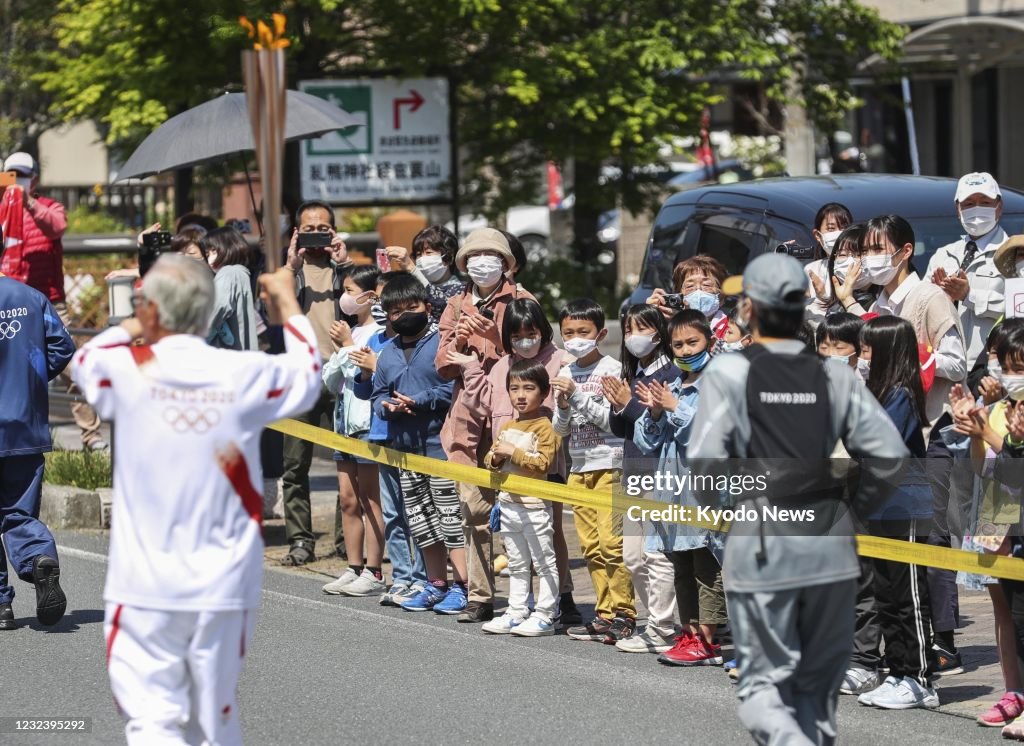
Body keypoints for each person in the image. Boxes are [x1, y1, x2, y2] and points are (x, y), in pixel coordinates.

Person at [70, 254, 322, 745]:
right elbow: (308, 375)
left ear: (151, 310)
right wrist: (287, 304)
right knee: (216, 718)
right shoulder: (243, 372)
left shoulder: (127, 370)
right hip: (223, 581)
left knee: (152, 722)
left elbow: (83, 361)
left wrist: (134, 320)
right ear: (209, 315)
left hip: (144, 583)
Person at [687, 253, 908, 746]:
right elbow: (891, 457)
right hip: (828, 540)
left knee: (765, 685)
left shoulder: (730, 373)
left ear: (751, 310)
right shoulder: (835, 375)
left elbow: (704, 466)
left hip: (761, 542)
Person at [453, 297, 581, 624]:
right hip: (507, 470)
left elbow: (568, 409)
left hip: (545, 466)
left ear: (542, 330)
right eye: (517, 335)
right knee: (516, 542)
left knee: (550, 535)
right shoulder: (500, 366)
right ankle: (517, 607)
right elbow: (483, 405)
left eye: (531, 332)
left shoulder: (562, 361)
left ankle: (560, 600)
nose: (525, 340)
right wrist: (470, 368)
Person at [435, 228, 535, 623]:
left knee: (524, 512)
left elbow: (534, 353)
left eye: (489, 255)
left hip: (512, 414)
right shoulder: (455, 303)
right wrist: (459, 344)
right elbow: (442, 365)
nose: (481, 262)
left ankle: (538, 599)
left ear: (506, 262)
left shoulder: (522, 300)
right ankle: (479, 595)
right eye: (473, 255)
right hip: (467, 419)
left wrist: (493, 337)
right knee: (472, 510)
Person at [634, 309, 726, 664]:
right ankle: (688, 634)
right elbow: (646, 441)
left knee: (706, 566)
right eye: (678, 345)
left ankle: (708, 640)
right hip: (671, 492)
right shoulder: (671, 385)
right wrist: (656, 412)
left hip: (705, 492)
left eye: (693, 342)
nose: (686, 350)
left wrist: (676, 409)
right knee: (681, 566)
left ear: (711, 342)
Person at [855, 317, 938, 710]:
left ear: (888, 350)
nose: (862, 356)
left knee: (908, 593)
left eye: (869, 349)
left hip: (904, 505)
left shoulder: (901, 394)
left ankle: (921, 677)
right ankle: (898, 671)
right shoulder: (876, 392)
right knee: (885, 593)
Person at [371, 274, 466, 614]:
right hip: (406, 449)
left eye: (412, 307)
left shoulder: (441, 342)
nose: (405, 314)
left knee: (450, 519)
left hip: (440, 446)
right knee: (421, 521)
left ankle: (463, 585)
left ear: (427, 307)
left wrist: (419, 400)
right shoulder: (387, 354)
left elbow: (455, 388)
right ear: (388, 316)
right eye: (396, 311)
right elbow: (378, 393)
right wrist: (387, 406)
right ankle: (435, 583)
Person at [0, 152, 105, 451]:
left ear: (34, 179)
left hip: (48, 305)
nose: (16, 180)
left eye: (21, 174)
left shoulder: (48, 207)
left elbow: (57, 226)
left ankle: (91, 434)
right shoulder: (2, 211)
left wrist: (28, 204)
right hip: (8, 304)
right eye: (10, 174)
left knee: (73, 367)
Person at [949, 320, 1024, 727]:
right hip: (996, 518)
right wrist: (978, 432)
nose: (1009, 374)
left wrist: (993, 438)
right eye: (1003, 363)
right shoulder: (998, 408)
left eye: (1019, 365)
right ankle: (1012, 691)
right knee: (1002, 613)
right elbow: (983, 469)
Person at [0, 230, 73, 631]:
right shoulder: (30, 297)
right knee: (18, 512)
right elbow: (61, 345)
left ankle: (1, 606)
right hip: (24, 425)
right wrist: (30, 378)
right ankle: (39, 558)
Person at [595, 304, 681, 646]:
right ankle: (657, 623)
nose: (634, 337)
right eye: (629, 330)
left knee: (656, 555)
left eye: (641, 329)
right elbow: (623, 428)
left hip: (661, 475)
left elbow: (662, 430)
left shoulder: (671, 375)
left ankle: (661, 628)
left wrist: (629, 403)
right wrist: (618, 403)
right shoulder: (633, 374)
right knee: (632, 557)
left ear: (658, 333)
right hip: (633, 474)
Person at [550, 300, 634, 643]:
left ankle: (625, 613)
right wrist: (564, 404)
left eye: (583, 332)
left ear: (600, 334)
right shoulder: (566, 372)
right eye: (568, 332)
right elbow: (560, 428)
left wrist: (579, 399)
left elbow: (613, 422)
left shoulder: (612, 369)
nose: (575, 338)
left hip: (610, 464)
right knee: (591, 546)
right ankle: (603, 612)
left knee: (613, 543)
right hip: (579, 466)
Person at [836, 214, 967, 429]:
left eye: (877, 250)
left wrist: (904, 356)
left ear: (906, 251)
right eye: (865, 251)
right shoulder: (877, 306)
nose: (869, 258)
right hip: (895, 423)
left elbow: (956, 365)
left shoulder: (931, 297)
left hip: (937, 427)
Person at [350, 271, 428, 606]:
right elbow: (364, 389)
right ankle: (403, 575)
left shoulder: (426, 341)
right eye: (387, 305)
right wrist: (367, 369)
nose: (393, 313)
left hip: (419, 439)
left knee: (422, 512)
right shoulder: (376, 341)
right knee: (394, 512)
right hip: (382, 436)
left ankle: (425, 577)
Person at [280, 200, 351, 566]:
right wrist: (292, 265)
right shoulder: (287, 274)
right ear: (296, 232)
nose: (317, 234)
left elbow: (368, 303)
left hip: (343, 375)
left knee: (348, 463)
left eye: (324, 229)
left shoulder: (346, 272)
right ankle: (300, 542)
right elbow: (273, 310)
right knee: (294, 466)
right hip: (300, 377)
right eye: (309, 228)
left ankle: (346, 540)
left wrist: (345, 262)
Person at [481, 359, 562, 637]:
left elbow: (543, 463)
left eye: (528, 388)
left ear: (543, 392)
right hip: (509, 504)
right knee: (515, 561)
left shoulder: (545, 427)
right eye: (514, 388)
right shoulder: (508, 426)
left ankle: (547, 613)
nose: (521, 395)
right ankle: (517, 610)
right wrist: (496, 456)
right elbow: (491, 461)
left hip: (535, 506)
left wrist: (512, 451)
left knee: (543, 561)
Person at [321, 265, 386, 597]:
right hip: (342, 423)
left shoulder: (377, 334)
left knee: (370, 498)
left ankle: (375, 570)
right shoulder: (350, 334)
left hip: (365, 423)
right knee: (347, 499)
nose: (344, 298)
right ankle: (354, 565)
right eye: (343, 290)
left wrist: (345, 346)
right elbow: (331, 380)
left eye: (350, 290)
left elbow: (368, 374)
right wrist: (343, 347)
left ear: (370, 296)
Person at [927, 172, 1009, 365]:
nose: (977, 209)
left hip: (994, 368)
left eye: (985, 202)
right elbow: (921, 308)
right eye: (969, 204)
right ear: (958, 209)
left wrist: (968, 295)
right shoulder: (943, 254)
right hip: (944, 366)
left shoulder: (1015, 253)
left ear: (999, 208)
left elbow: (1018, 307)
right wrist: (937, 296)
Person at [385, 225, 464, 324]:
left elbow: (443, 305)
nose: (422, 259)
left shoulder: (462, 290)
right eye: (418, 254)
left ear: (448, 257)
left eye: (428, 252)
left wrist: (411, 268)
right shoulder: (414, 286)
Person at [646, 255, 730, 340]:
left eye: (706, 285)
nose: (698, 290)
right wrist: (650, 318)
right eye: (690, 286)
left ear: (722, 297)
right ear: (679, 295)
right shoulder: (671, 326)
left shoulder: (732, 328)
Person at [201, 227, 258, 352]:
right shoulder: (240, 273)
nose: (210, 259)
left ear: (230, 247)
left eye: (214, 251)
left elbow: (215, 309)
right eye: (207, 254)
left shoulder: (228, 273)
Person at [805, 202, 854, 321]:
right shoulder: (811, 270)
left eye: (844, 228)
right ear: (817, 235)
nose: (839, 234)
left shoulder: (859, 266)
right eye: (831, 228)